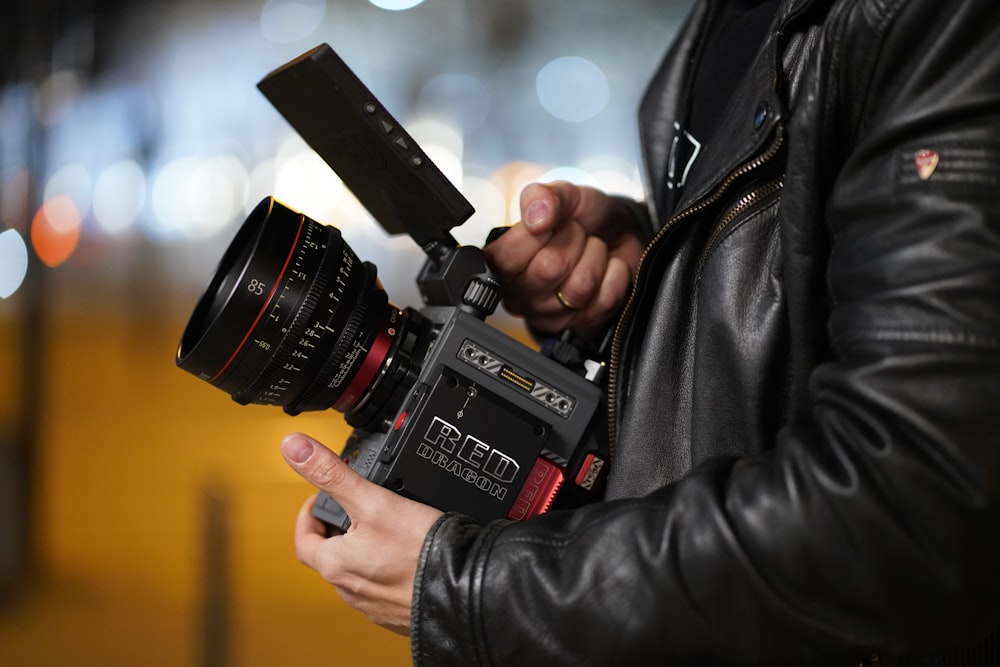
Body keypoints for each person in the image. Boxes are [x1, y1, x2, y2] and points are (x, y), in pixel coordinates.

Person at [278, 0, 1000, 664]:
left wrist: (480, 587)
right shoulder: (714, 29)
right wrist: (654, 278)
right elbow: (802, 317)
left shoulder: (924, 19)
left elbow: (908, 507)